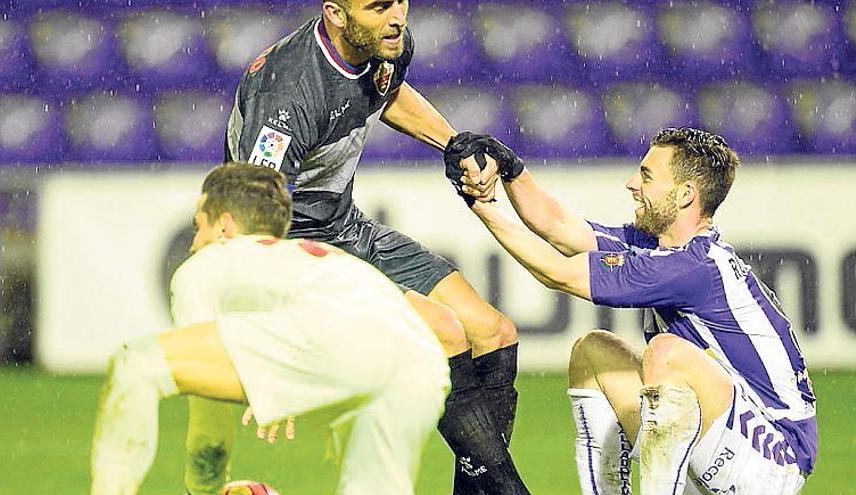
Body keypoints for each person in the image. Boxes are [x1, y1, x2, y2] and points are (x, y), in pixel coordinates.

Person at [215, 1, 528, 494]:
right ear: (337, 14)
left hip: (345, 227)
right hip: (294, 248)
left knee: (495, 332)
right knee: (445, 330)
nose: (397, 16)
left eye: (400, 1)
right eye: (380, 6)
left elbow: (388, 93)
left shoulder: (385, 43)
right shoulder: (287, 94)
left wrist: (451, 142)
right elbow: (249, 226)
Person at [445, 128, 817, 494]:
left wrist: (482, 204)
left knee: (666, 354)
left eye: (646, 175)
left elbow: (556, 272)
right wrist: (512, 170)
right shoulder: (661, 247)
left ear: (685, 195)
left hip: (774, 459)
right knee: (593, 351)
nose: (631, 184)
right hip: (724, 433)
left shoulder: (692, 267)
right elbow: (560, 228)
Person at [90, 163, 450, 495]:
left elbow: (210, 429)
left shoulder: (206, 265)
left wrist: (203, 488)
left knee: (136, 364)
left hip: (340, 338)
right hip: (422, 362)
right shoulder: (311, 264)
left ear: (224, 227)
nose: (193, 243)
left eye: (199, 226)